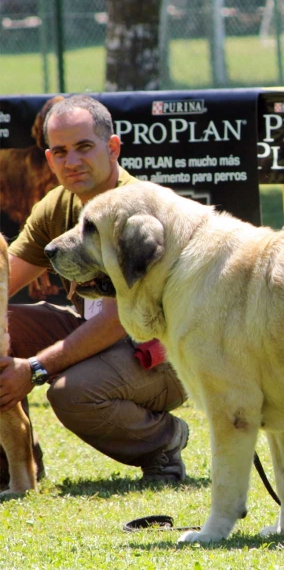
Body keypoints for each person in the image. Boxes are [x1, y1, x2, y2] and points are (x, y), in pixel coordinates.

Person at [0, 94, 189, 487]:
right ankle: (16, 461)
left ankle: (165, 442)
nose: (72, 162)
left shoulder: (136, 210)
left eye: (84, 147)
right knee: (5, 326)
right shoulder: (57, 204)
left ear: (113, 147)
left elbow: (116, 320)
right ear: (49, 159)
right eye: (61, 151)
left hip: (165, 353)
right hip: (100, 337)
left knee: (72, 394)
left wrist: (33, 369)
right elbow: (6, 280)